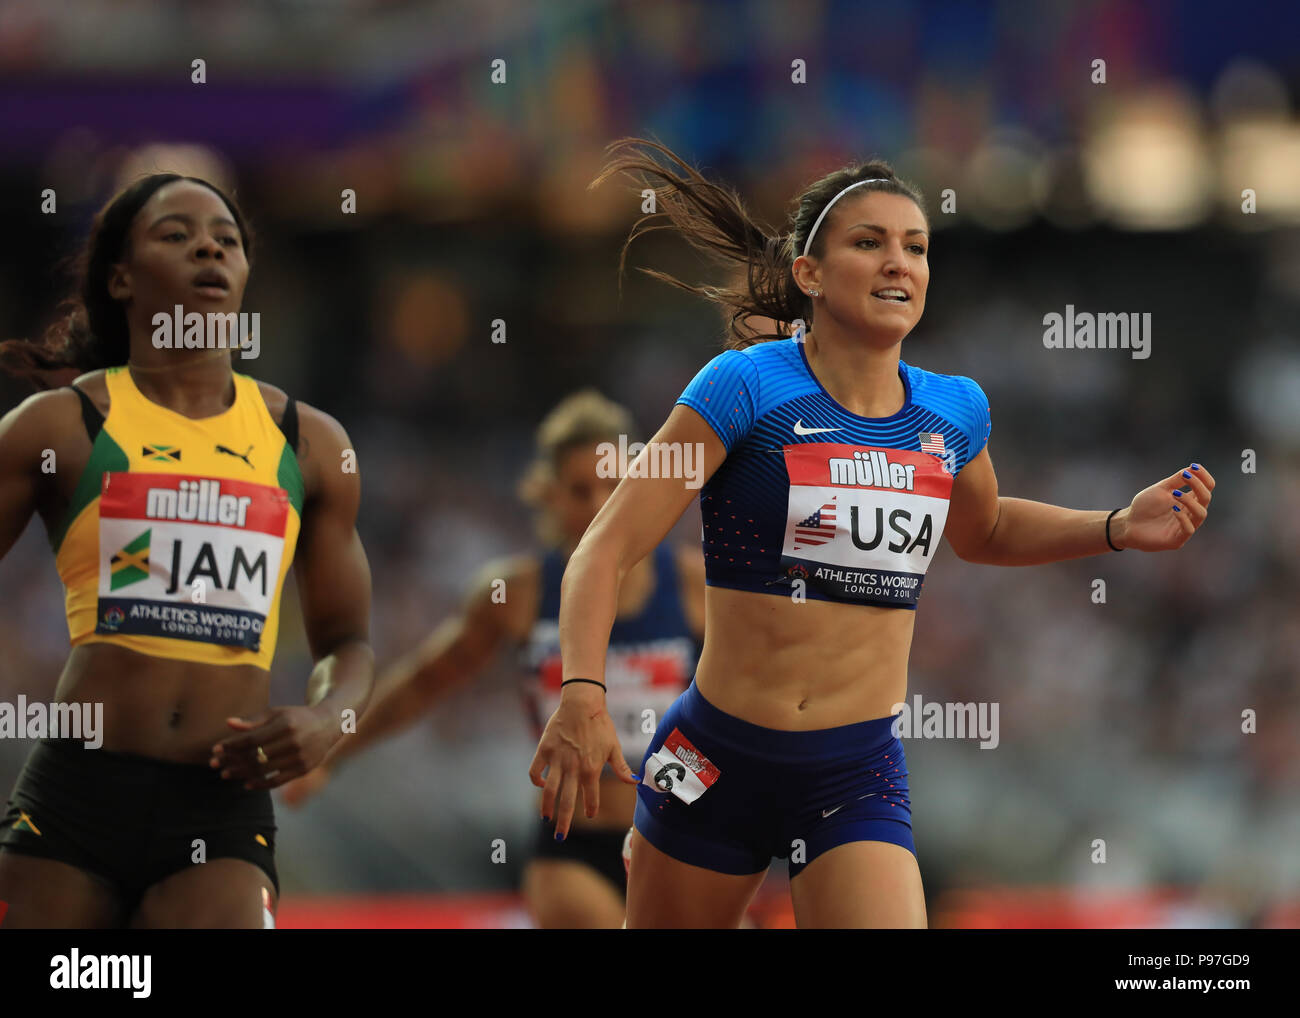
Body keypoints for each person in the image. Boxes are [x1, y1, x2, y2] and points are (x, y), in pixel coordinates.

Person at [529, 138, 1215, 929]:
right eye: (870, 243)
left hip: (851, 771)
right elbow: (606, 546)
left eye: (915, 248)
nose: (900, 263)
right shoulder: (743, 386)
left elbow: (984, 529)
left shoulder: (954, 410)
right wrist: (582, 692)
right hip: (714, 759)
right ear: (809, 275)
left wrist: (1116, 526)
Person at [0, 174, 374, 928]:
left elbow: (350, 642)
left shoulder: (310, 442)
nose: (208, 245)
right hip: (76, 797)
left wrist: (330, 718)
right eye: (175, 234)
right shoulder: (59, 428)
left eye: (227, 240)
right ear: (121, 278)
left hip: (220, 808)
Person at [282, 390, 703, 928]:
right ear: (547, 495)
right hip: (570, 847)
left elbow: (751, 690)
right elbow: (424, 682)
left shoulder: (694, 586)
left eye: (613, 486)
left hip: (678, 837)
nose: (599, 503)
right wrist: (333, 753)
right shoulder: (517, 594)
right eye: (579, 490)